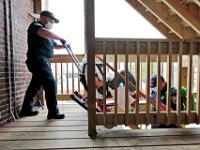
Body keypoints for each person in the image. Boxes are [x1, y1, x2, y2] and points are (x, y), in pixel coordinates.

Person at [18, 10, 67, 119]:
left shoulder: (48, 35)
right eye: (51, 21)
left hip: (43, 61)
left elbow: (54, 45)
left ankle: (26, 109)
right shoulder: (36, 25)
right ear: (44, 18)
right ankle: (53, 112)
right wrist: (60, 38)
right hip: (38, 60)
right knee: (50, 83)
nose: (52, 23)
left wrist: (65, 46)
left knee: (35, 84)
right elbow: (43, 32)